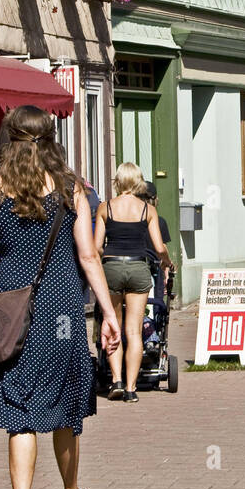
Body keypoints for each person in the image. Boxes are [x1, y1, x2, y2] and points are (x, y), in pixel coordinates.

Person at [0, 105, 121, 489]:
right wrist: (108, 312)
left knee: (20, 414)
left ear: (9, 138)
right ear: (50, 140)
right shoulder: (70, 188)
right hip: (62, 310)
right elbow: (88, 256)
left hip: (12, 312)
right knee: (65, 406)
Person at [94, 162, 170, 403]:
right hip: (138, 267)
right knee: (134, 331)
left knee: (113, 325)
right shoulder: (147, 210)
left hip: (112, 267)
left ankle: (115, 379)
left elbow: (96, 246)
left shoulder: (106, 208)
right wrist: (167, 261)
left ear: (117, 181)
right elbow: (159, 247)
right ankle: (131, 388)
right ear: (138, 181)